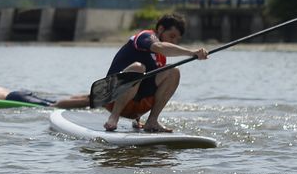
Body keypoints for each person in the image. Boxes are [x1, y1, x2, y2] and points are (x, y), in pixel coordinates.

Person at [56, 13, 208, 133]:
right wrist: (192, 52)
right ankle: (112, 117)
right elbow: (161, 46)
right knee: (138, 68)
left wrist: (136, 120)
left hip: (135, 107)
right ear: (160, 29)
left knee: (173, 71)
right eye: (172, 36)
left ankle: (152, 121)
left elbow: (149, 85)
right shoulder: (145, 36)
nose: (174, 42)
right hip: (113, 96)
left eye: (177, 39)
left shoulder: (161, 58)